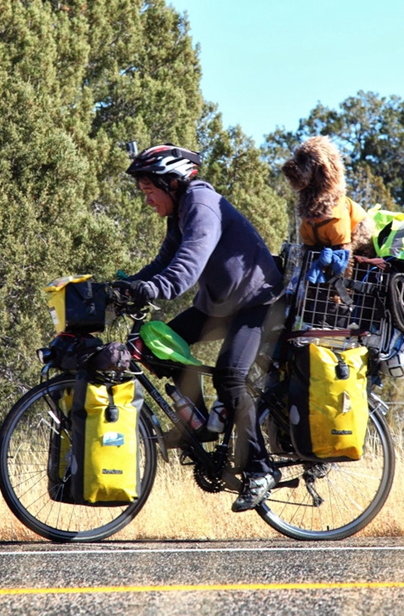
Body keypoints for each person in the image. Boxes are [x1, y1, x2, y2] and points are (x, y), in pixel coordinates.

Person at [113, 143, 283, 513]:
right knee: (158, 346)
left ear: (171, 182)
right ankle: (205, 423)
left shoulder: (201, 205)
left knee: (230, 376)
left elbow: (190, 260)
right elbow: (164, 261)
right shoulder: (179, 213)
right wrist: (124, 286)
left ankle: (261, 468)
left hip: (258, 302)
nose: (147, 200)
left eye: (148, 191)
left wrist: (155, 288)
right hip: (220, 305)